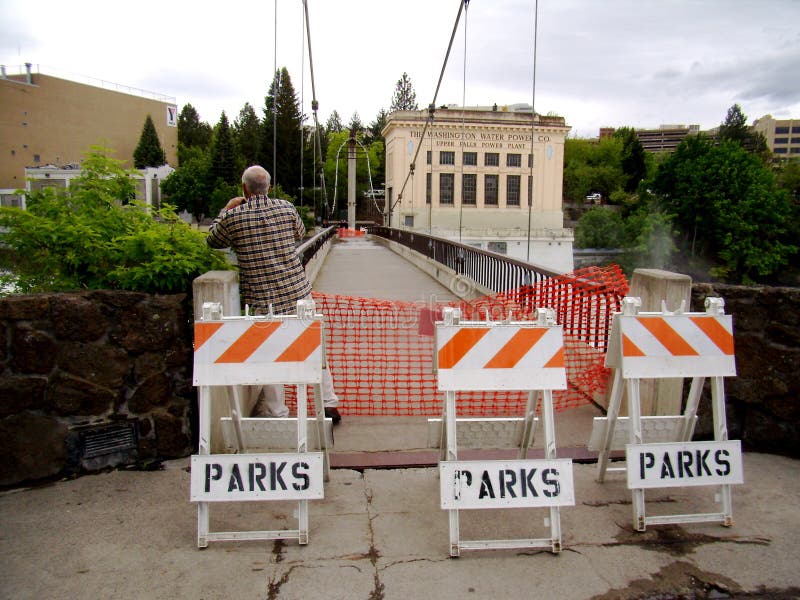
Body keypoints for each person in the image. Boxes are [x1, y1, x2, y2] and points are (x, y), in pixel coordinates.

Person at [206, 165, 341, 424]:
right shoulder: (287, 208)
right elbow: (299, 233)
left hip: (262, 300)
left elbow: (212, 240)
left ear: (244, 188)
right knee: (314, 349)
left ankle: (279, 414)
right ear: (269, 186)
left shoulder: (234, 217)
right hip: (298, 293)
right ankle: (328, 404)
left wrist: (226, 208)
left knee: (269, 356)